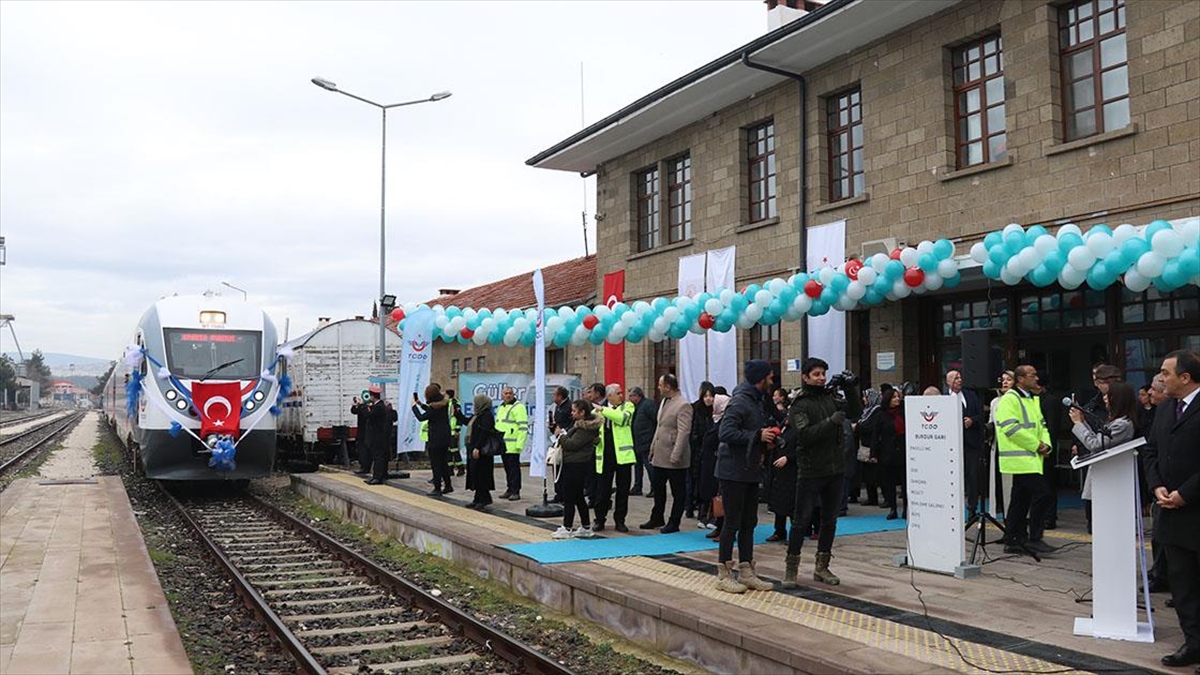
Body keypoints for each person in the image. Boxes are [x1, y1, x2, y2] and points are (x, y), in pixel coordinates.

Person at [1141, 350, 1200, 670]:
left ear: (1185, 377)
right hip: (1171, 515)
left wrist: (1184, 494)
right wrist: (1157, 487)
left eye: (1165, 373)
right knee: (1183, 585)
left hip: (1194, 509)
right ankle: (1193, 644)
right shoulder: (1166, 410)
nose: (1160, 379)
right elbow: (1150, 452)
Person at [782, 358, 848, 587]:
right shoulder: (799, 404)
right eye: (817, 374)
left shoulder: (831, 397)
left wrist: (851, 389)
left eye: (824, 374)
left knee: (829, 521)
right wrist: (831, 421)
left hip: (835, 468)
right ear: (805, 377)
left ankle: (822, 567)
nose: (821, 378)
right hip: (811, 470)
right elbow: (805, 435)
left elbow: (855, 413)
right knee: (801, 521)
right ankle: (791, 568)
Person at [713, 360, 777, 594]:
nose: (772, 381)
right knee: (732, 522)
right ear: (760, 379)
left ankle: (747, 569)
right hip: (732, 471)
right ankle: (723, 572)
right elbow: (726, 432)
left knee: (750, 522)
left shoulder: (757, 401)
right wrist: (757, 435)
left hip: (749, 469)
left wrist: (767, 439)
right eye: (770, 377)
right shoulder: (740, 401)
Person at [995, 364, 1055, 556]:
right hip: (1021, 458)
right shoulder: (1010, 400)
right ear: (1020, 379)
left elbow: (1042, 425)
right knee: (1043, 493)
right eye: (1032, 375)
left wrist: (1047, 445)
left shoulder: (1031, 399)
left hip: (1031, 457)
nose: (1036, 378)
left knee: (1020, 499)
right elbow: (1010, 429)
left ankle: (1013, 539)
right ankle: (1034, 538)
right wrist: (1037, 445)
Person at [643, 374, 693, 533]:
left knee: (678, 491)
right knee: (658, 488)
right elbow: (659, 427)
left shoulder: (683, 405)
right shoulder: (664, 401)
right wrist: (652, 448)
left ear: (668, 387)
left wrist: (676, 454)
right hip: (660, 454)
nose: (658, 387)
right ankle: (657, 516)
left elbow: (684, 432)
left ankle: (674, 521)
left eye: (660, 384)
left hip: (673, 455)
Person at [552, 400, 600, 539]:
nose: (571, 413)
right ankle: (586, 526)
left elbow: (573, 444)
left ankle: (567, 527)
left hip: (577, 464)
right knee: (578, 496)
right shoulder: (579, 425)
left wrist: (560, 435)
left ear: (582, 412)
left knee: (569, 496)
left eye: (574, 411)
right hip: (574, 462)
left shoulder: (586, 428)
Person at [593, 383, 636, 533]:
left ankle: (620, 520)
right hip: (605, 455)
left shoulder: (628, 407)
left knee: (623, 490)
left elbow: (622, 419)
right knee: (602, 490)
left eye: (621, 393)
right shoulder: (597, 410)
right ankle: (599, 519)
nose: (621, 396)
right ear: (609, 396)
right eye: (618, 393)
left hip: (623, 456)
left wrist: (603, 410)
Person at [946, 370, 984, 519]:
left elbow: (981, 414)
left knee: (972, 476)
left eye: (960, 377)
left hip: (971, 444)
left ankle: (972, 508)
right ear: (948, 382)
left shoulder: (970, 395)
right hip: (952, 444)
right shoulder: (944, 397)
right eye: (956, 378)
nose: (959, 380)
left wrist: (972, 420)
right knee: (953, 477)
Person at [1147, 374, 1171, 594]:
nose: (1149, 393)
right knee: (1160, 536)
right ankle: (1161, 574)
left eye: (1154, 389)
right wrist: (1155, 485)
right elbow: (1151, 451)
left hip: (1184, 493)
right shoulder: (1161, 412)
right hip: (1161, 489)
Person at [1031, 377, 1064, 531]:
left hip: (1046, 447)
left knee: (1048, 482)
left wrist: (1046, 445)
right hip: (1033, 447)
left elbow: (1052, 426)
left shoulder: (1050, 400)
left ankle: (1050, 517)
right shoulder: (1031, 399)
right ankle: (1039, 515)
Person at [412, 383, 454, 496]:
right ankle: (448, 485)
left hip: (435, 439)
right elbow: (430, 412)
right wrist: (421, 404)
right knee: (444, 462)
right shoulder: (444, 404)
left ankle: (437, 488)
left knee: (436, 464)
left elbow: (422, 417)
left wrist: (414, 407)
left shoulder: (433, 408)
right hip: (445, 437)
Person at [873, 388, 907, 520]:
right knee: (890, 483)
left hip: (903, 452)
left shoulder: (904, 412)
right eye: (894, 397)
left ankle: (906, 508)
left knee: (905, 483)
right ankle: (893, 508)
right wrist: (874, 453)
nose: (897, 399)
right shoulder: (881, 415)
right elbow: (876, 435)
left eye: (898, 397)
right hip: (888, 453)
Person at [699, 393, 729, 533]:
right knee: (710, 491)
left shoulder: (725, 421)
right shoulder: (714, 419)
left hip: (718, 461)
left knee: (719, 493)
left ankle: (719, 522)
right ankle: (711, 519)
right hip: (709, 461)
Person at [465, 392, 498, 511]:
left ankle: (483, 498)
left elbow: (484, 433)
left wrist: (477, 447)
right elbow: (467, 422)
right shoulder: (478, 415)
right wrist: (457, 413)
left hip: (482, 450)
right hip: (474, 448)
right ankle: (478, 498)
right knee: (475, 474)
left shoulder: (487, 415)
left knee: (482, 474)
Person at [688, 383, 716, 522]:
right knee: (696, 480)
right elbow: (692, 430)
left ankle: (707, 511)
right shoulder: (696, 409)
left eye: (711, 396)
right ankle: (694, 506)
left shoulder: (715, 411)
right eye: (706, 396)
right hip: (698, 450)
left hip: (710, 451)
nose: (708, 399)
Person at [495, 387, 528, 501]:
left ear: (513, 394)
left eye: (510, 393)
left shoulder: (519, 407)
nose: (508, 395)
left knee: (514, 469)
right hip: (503, 444)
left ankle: (515, 491)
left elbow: (523, 427)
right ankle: (509, 489)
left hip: (513, 445)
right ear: (502, 395)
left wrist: (519, 444)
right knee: (507, 469)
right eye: (506, 393)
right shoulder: (501, 407)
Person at [629, 386, 657, 496]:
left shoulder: (648, 405)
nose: (629, 398)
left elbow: (655, 420)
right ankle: (637, 487)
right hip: (637, 441)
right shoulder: (635, 406)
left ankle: (655, 487)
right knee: (637, 465)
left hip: (646, 440)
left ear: (637, 396)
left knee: (649, 466)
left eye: (631, 396)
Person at [548, 386, 573, 503]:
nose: (553, 397)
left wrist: (563, 432)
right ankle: (558, 493)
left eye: (554, 394)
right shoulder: (557, 408)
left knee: (564, 469)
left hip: (566, 440)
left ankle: (565, 495)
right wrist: (553, 428)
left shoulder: (569, 407)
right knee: (555, 466)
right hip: (557, 440)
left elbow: (572, 423)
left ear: (559, 396)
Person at [364, 385, 392, 485]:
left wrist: (366, 408)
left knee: (378, 457)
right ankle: (376, 476)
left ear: (372, 396)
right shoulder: (377, 406)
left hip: (378, 436)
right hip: (376, 436)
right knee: (376, 456)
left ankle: (378, 477)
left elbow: (369, 416)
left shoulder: (379, 407)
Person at [445, 389, 465, 477]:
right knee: (448, 451)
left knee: (454, 450)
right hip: (447, 431)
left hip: (453, 431)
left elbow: (459, 417)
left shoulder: (455, 403)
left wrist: (457, 430)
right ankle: (450, 469)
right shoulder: (447, 403)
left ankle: (461, 468)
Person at [350, 394, 372, 476]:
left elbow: (366, 414)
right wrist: (355, 405)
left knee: (365, 451)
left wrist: (362, 405)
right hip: (361, 433)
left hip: (367, 433)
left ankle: (366, 468)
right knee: (361, 450)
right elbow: (354, 411)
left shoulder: (369, 407)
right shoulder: (362, 407)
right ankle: (363, 467)